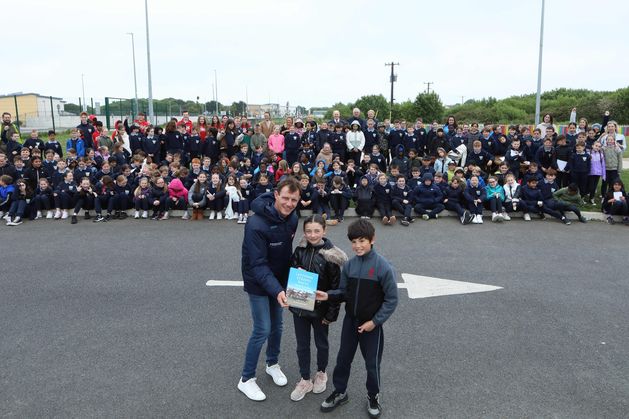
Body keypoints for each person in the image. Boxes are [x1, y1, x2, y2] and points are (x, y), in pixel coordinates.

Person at [316, 219, 398, 418]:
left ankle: (373, 395)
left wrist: (375, 322)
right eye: (354, 241)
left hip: (371, 326)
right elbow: (344, 292)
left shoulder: (383, 267)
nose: (357, 246)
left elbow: (391, 300)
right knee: (343, 359)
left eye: (362, 240)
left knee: (372, 363)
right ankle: (340, 392)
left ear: (372, 240)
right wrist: (329, 295)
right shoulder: (350, 265)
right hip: (350, 322)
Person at [238, 178, 300, 402]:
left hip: (278, 280)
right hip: (257, 279)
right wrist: (276, 290)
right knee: (262, 328)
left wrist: (296, 273)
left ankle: (272, 363)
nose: (289, 203)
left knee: (278, 326)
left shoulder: (293, 218)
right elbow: (258, 264)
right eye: (285, 198)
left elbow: (286, 252)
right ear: (276, 195)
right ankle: (246, 379)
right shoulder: (255, 224)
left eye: (294, 199)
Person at [288, 215, 347, 402]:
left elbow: (337, 289)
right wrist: (297, 271)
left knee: (321, 343)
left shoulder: (331, 256)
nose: (312, 235)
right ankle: (305, 378)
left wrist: (331, 315)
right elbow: (291, 272)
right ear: (304, 232)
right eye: (308, 231)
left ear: (324, 231)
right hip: (299, 307)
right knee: (302, 345)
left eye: (316, 231)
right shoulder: (299, 250)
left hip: (321, 310)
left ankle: (321, 372)